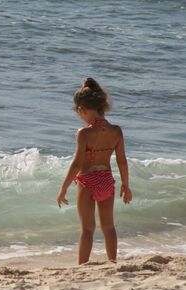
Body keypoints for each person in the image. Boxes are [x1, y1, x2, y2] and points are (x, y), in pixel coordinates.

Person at [56, 77, 132, 264]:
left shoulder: (84, 133)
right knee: (108, 227)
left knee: (88, 229)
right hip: (107, 180)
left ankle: (82, 265)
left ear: (82, 110)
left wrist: (64, 187)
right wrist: (126, 184)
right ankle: (112, 262)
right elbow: (122, 161)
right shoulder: (116, 131)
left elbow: (76, 163)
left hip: (87, 181)